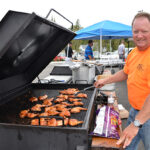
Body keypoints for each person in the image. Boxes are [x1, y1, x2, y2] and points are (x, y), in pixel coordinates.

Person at [94, 12, 150, 150]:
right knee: (127, 147)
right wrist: (105, 81)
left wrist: (136, 124)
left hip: (147, 116)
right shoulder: (133, 53)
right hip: (135, 111)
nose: (139, 35)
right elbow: (125, 72)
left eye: (144, 31)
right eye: (136, 31)